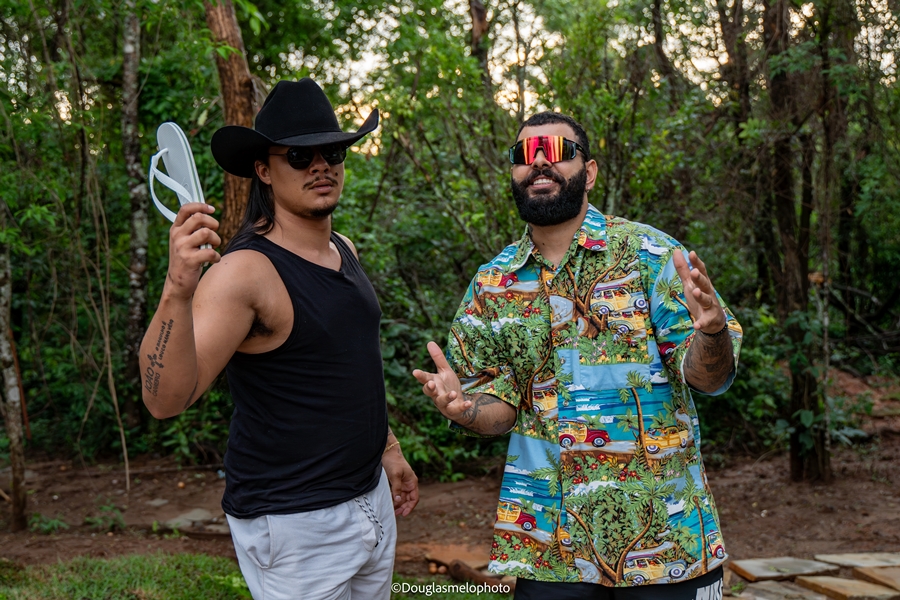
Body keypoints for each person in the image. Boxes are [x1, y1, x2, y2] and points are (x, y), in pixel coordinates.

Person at [413, 112, 742, 599]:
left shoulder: (650, 254)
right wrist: (464, 409)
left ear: (588, 172)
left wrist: (711, 332)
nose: (538, 162)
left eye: (555, 151)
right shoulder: (492, 283)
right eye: (524, 155)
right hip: (548, 552)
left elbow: (710, 379)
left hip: (666, 548)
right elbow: (499, 409)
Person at [140, 78, 418, 600]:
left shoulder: (344, 248)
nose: (320, 166)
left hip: (371, 499)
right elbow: (164, 400)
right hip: (296, 523)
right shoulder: (244, 273)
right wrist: (177, 288)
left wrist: (389, 448)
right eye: (298, 155)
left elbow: (348, 368)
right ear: (264, 170)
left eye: (333, 152)